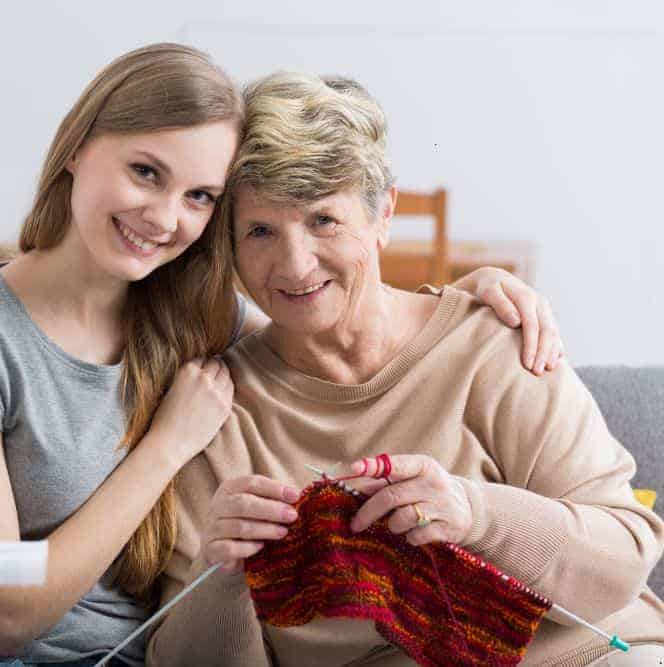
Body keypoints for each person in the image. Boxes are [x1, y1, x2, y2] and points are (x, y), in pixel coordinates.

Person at [0, 46, 565, 666]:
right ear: (77, 146)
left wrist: (463, 299)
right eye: (145, 172)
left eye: (199, 197)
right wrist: (165, 446)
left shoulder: (195, 319)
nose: (163, 217)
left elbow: (326, 312)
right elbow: (6, 615)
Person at [145, 72, 664, 666]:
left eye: (323, 221)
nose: (293, 264)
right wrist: (222, 577)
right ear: (229, 246)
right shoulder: (212, 409)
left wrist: (477, 514)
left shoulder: (495, 341)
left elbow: (624, 555)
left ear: (383, 212)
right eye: (260, 231)